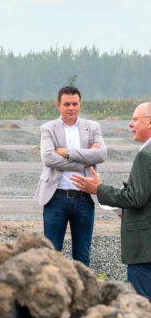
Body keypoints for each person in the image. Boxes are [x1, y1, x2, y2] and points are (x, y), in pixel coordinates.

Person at [70, 102, 151, 300]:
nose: (130, 124)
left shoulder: (146, 156)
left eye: (134, 119)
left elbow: (135, 198)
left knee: (142, 307)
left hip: (144, 251)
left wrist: (98, 189)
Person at [34, 86, 107, 267]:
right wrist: (84, 160)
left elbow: (101, 155)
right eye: (67, 104)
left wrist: (66, 152)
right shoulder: (48, 128)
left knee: (82, 257)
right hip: (55, 198)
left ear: (80, 104)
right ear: (59, 105)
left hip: (84, 198)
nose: (71, 108)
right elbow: (49, 158)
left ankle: (81, 294)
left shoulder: (93, 127)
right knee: (51, 256)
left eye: (75, 104)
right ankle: (52, 294)